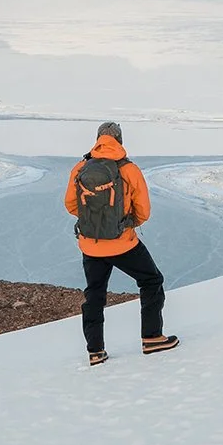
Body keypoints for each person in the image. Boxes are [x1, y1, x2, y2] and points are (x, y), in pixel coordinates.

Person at [64, 120, 177, 365]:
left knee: (95, 294)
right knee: (151, 281)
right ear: (120, 140)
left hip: (90, 245)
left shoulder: (80, 168)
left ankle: (95, 351)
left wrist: (96, 223)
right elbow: (143, 211)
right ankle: (152, 337)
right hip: (123, 243)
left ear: (97, 140)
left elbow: (71, 205)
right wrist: (122, 224)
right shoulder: (129, 170)